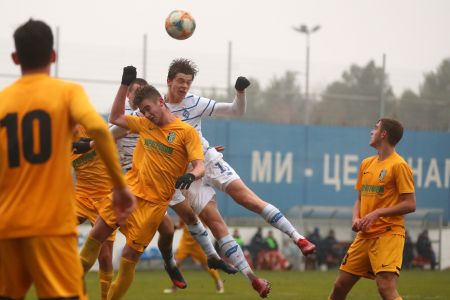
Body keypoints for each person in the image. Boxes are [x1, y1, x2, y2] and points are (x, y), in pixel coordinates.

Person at [0, 19, 135, 300]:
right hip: (50, 222)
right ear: (53, 56)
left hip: (8, 223)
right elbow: (99, 129)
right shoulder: (66, 93)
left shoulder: (3, 102)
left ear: (14, 58)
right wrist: (120, 187)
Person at [79, 68, 229, 299]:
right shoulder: (144, 124)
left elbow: (198, 164)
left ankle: (179, 262)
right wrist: (123, 84)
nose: (146, 115)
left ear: (161, 101)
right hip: (128, 192)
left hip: (154, 205)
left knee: (129, 258)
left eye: (147, 109)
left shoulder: (185, 133)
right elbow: (115, 118)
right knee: (95, 238)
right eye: (142, 111)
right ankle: (65, 292)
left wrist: (192, 175)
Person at [163, 58, 315, 256]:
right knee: (215, 224)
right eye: (180, 81)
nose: (184, 86)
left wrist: (240, 92)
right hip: (188, 176)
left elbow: (236, 110)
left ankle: (298, 238)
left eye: (188, 82)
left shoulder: (195, 102)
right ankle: (249, 276)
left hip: (208, 161)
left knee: (247, 199)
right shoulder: (157, 107)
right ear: (169, 81)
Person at [328, 118, 416, 300]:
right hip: (364, 236)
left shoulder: (399, 165)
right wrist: (355, 218)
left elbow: (410, 204)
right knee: (339, 286)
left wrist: (378, 213)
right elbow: (359, 199)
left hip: (388, 234)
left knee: (385, 288)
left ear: (384, 134)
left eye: (375, 128)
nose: (371, 131)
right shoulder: (366, 164)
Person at [72, 125, 117, 300]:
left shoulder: (90, 125)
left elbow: (109, 136)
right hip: (81, 197)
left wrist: (90, 143)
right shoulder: (59, 133)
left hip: (105, 198)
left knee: (105, 258)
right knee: (54, 227)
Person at [163, 221, 225, 294]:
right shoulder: (184, 212)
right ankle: (174, 287)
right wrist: (175, 227)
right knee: (176, 264)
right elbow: (180, 224)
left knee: (206, 265)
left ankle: (219, 282)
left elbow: (209, 225)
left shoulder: (201, 213)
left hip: (198, 244)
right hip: (185, 244)